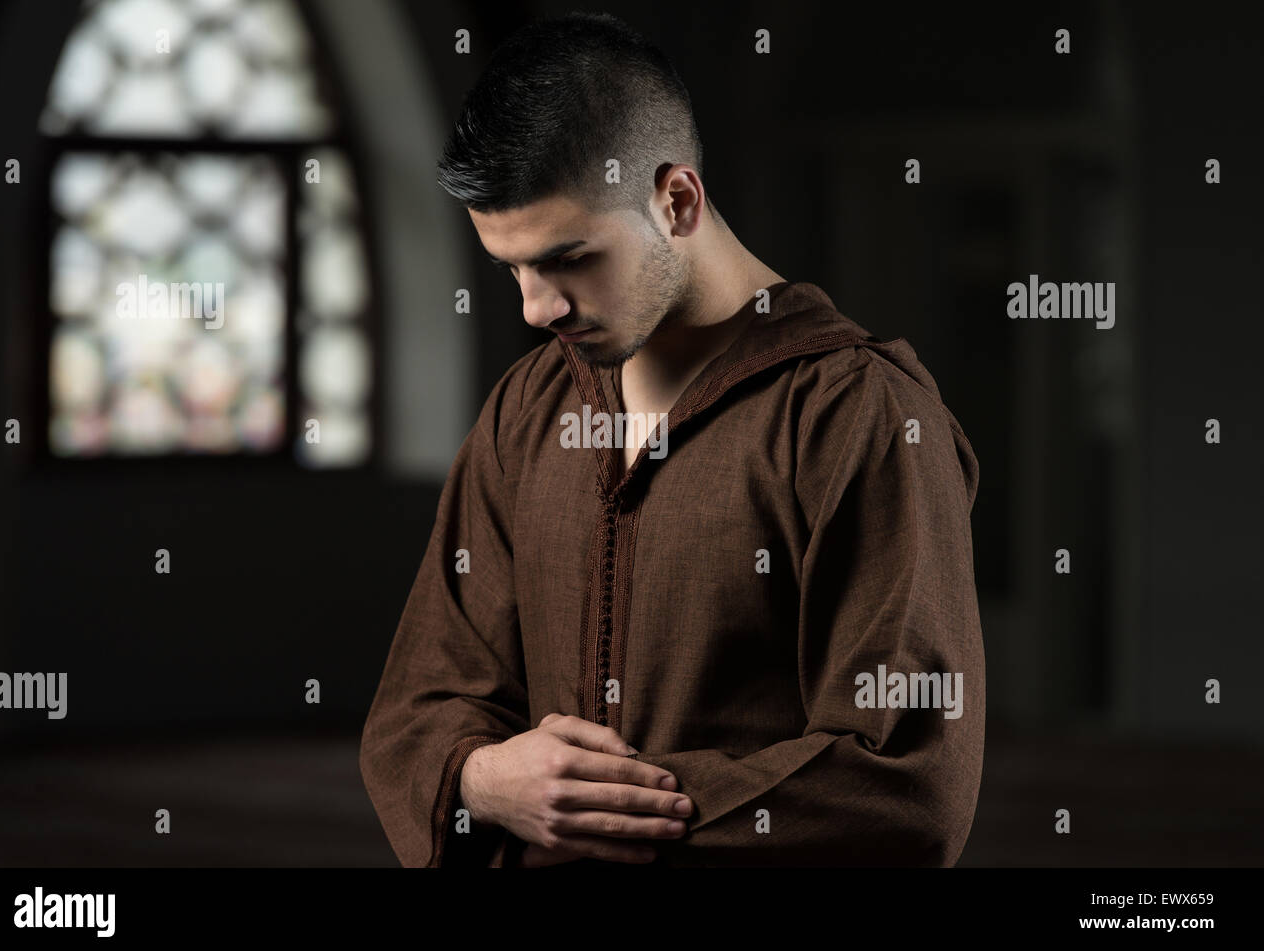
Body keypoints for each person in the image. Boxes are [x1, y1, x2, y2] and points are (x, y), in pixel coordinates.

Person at [359, 11, 984, 867]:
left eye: (567, 258)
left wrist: (593, 815)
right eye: (512, 270)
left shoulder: (860, 417)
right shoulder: (527, 408)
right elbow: (417, 708)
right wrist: (479, 779)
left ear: (676, 200)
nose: (536, 309)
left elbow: (907, 781)